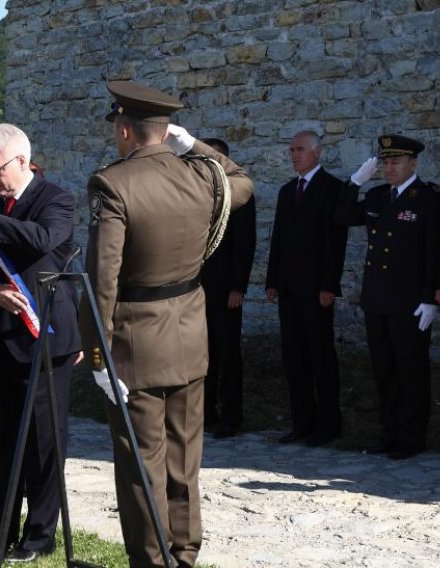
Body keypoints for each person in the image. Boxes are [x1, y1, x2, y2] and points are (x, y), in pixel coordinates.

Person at [78, 80, 253, 568]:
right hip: (189, 337)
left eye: (117, 126)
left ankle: (153, 561)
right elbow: (242, 181)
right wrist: (191, 143)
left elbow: (102, 281)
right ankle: (185, 553)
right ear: (165, 130)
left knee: (141, 464)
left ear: (126, 130)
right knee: (183, 459)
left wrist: (97, 355)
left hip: (136, 346)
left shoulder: (112, 184)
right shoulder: (201, 176)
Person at [0, 123, 82, 563]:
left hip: (46, 335)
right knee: (3, 441)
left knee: (45, 441)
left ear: (22, 161)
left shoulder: (56, 199)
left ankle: (40, 535)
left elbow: (43, 240)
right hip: (1, 335)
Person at [336, 134, 438, 460]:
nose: (389, 168)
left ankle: (412, 437)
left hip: (410, 302)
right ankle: (390, 431)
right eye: (386, 163)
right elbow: (342, 217)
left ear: (413, 163)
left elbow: (435, 252)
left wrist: (431, 298)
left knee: (411, 371)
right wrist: (353, 183)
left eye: (396, 162)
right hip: (377, 299)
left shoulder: (429, 199)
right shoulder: (379, 197)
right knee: (385, 371)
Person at [265, 130, 348, 447]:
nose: (294, 155)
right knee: (295, 358)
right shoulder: (288, 191)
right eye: (291, 150)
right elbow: (279, 239)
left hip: (316, 290)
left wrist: (329, 285)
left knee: (320, 357)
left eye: (299, 149)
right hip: (288, 289)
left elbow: (334, 243)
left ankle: (328, 424)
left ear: (317, 152)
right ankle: (302, 422)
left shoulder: (332, 189)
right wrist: (273, 280)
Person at [200, 138, 256, 438]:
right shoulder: (196, 193)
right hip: (199, 290)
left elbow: (244, 245)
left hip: (226, 291)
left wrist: (238, 287)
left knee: (228, 354)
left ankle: (231, 416)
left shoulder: (240, 195)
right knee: (202, 355)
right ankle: (205, 412)